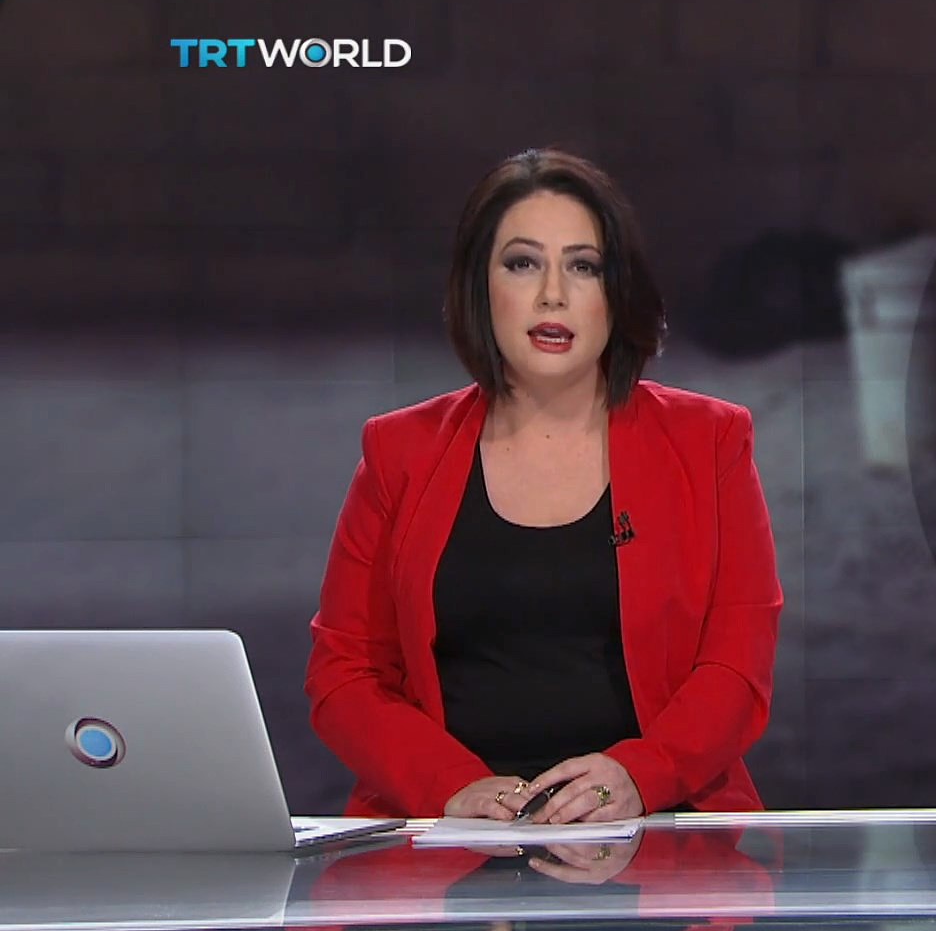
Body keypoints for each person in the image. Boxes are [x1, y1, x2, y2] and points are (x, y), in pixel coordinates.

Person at [306, 148, 782, 822]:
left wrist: (640, 775)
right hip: (450, 833)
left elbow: (737, 667)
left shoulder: (710, 442)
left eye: (583, 266)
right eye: (523, 263)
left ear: (617, 292)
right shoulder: (399, 452)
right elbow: (344, 674)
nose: (552, 293)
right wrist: (453, 789)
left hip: (656, 830)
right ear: (481, 286)